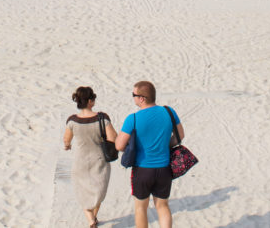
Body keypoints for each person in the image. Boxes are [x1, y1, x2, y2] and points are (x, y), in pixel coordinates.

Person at [116, 81, 184, 228]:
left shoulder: (132, 118)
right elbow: (180, 136)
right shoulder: (169, 111)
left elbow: (119, 145)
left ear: (142, 98)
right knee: (163, 205)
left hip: (142, 169)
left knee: (141, 208)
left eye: (134, 95)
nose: (133, 98)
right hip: (164, 168)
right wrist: (165, 145)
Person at [63, 86, 115, 228]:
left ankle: (91, 219)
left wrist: (68, 146)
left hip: (80, 161)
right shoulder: (102, 119)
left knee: (83, 193)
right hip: (99, 160)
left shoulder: (72, 121)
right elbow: (113, 138)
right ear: (91, 101)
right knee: (99, 192)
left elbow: (66, 140)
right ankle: (93, 219)